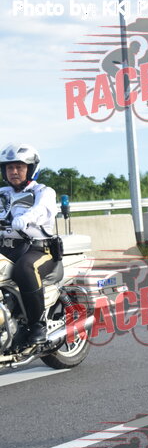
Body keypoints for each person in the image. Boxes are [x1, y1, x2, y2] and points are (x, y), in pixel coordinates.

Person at [0, 144, 58, 346]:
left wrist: (26, 218)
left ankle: (37, 325)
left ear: (31, 169)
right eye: (9, 167)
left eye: (19, 167)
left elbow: (42, 209)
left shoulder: (43, 191)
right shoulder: (2, 193)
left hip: (39, 249)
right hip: (7, 248)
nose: (14, 171)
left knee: (25, 269)